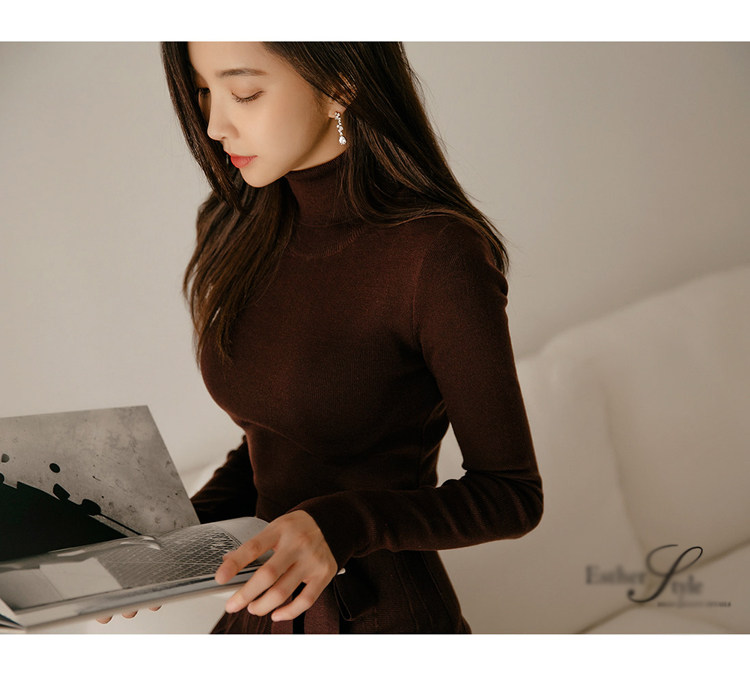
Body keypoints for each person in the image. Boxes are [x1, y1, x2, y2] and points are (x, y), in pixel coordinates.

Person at [155, 41, 543, 634]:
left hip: (384, 618)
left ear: (339, 83)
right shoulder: (234, 225)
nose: (214, 125)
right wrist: (169, 543)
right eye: (203, 92)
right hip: (263, 609)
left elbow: (512, 495)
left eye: (244, 93)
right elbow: (276, 442)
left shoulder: (436, 255)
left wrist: (343, 524)